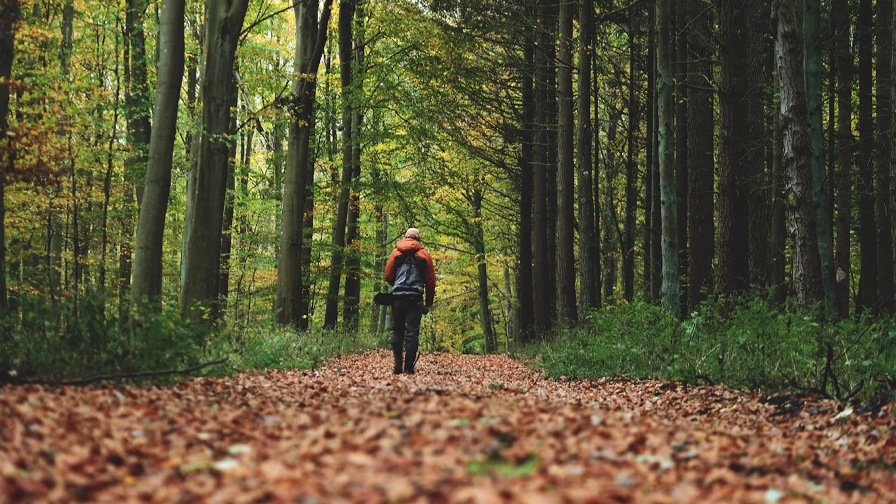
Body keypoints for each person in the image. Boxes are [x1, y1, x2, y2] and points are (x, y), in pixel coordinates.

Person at [384, 227, 436, 374]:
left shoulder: (395, 253)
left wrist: (397, 285)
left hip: (398, 297)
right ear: (418, 239)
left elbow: (388, 274)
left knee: (397, 330)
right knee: (412, 333)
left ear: (406, 237)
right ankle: (408, 368)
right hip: (415, 298)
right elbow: (430, 281)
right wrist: (428, 303)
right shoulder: (425, 255)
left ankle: (397, 366)